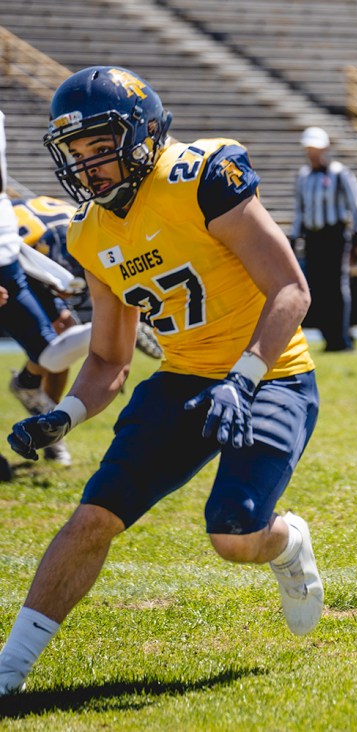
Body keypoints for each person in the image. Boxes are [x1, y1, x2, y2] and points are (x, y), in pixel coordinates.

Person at [0, 66, 324, 696]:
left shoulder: (200, 178)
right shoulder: (92, 233)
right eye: (77, 152)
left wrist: (244, 376)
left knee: (233, 535)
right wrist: (62, 415)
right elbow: (108, 360)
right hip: (182, 379)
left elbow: (291, 289)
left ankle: (287, 544)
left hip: (272, 374)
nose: (89, 165)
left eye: (101, 145)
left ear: (143, 134)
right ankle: (10, 670)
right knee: (93, 517)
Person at [0, 110, 74, 466]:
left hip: (15, 259)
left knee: (60, 335)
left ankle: (47, 416)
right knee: (63, 331)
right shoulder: (70, 233)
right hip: (27, 250)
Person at [291, 126, 357, 352]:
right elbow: (300, 210)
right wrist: (295, 237)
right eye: (309, 149)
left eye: (316, 149)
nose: (313, 154)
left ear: (325, 148)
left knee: (337, 287)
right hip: (313, 238)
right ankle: (328, 337)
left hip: (334, 236)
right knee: (317, 288)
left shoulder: (339, 173)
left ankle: (342, 336)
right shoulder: (303, 176)